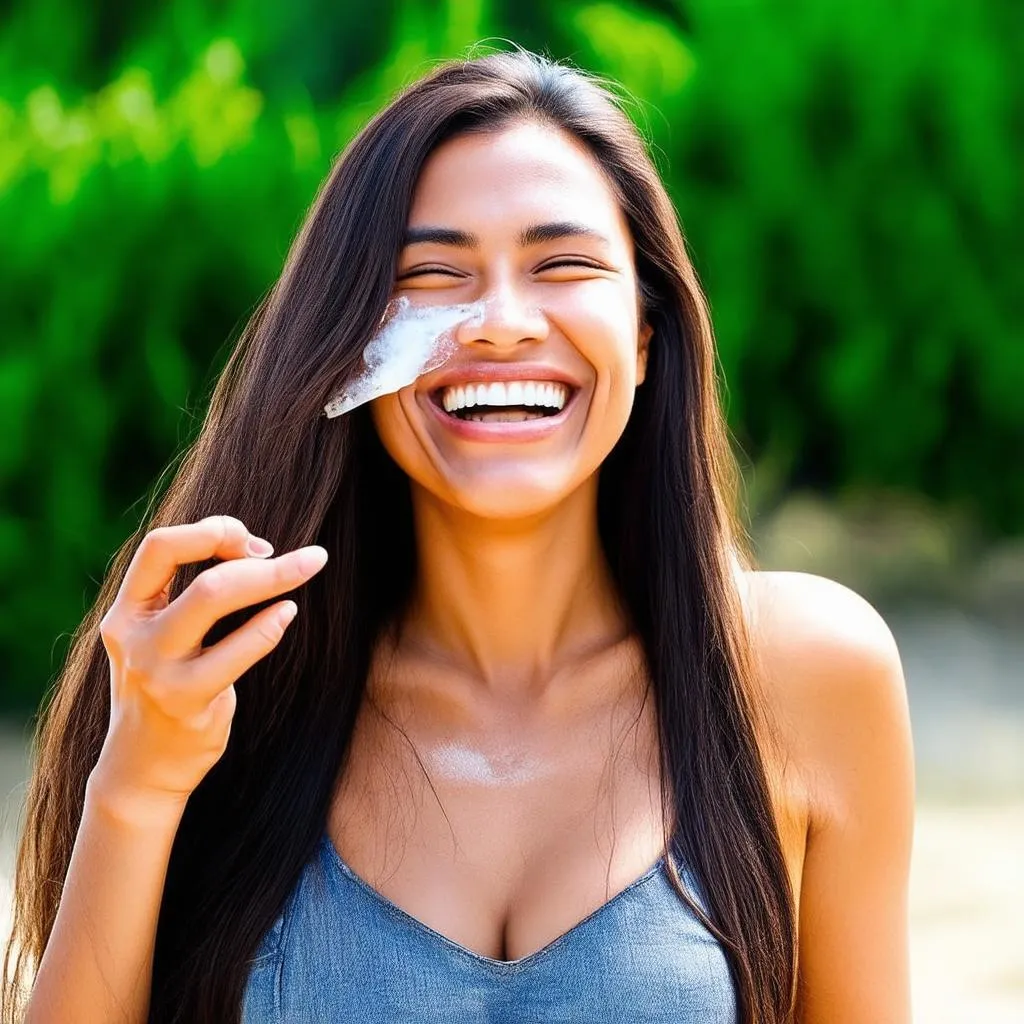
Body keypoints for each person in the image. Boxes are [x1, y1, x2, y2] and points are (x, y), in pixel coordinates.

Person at [2, 46, 915, 1024]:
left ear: (645, 337)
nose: (500, 322)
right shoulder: (215, 687)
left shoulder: (808, 675)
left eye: (561, 264)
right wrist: (135, 786)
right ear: (351, 344)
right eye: (433, 275)